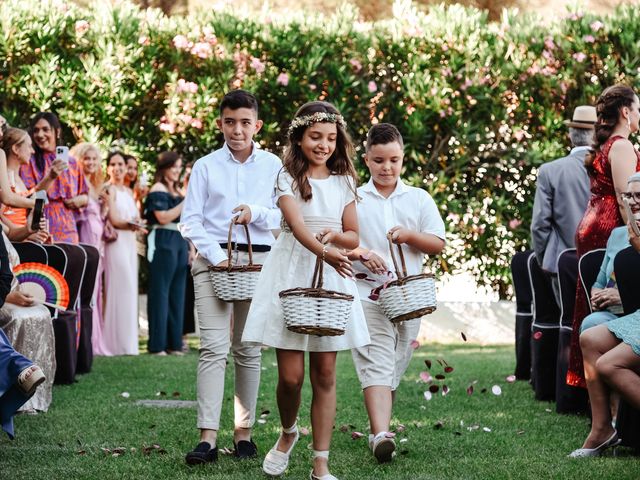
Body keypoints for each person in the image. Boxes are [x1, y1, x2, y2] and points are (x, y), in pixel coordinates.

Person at [242, 101, 370, 480]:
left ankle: (320, 463)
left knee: (326, 373)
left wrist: (336, 240)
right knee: (291, 377)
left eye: (331, 138)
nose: (324, 145)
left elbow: (353, 234)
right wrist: (326, 252)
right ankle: (287, 432)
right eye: (315, 137)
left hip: (332, 275)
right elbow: (297, 227)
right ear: (298, 138)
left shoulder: (346, 179)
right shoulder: (286, 177)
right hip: (293, 271)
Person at [179, 90, 282, 464]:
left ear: (256, 125)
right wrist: (218, 256)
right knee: (212, 348)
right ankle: (207, 437)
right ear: (220, 123)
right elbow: (190, 220)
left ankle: (244, 434)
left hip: (256, 266)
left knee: (248, 348)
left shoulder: (273, 165)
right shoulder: (206, 166)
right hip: (211, 264)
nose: (236, 130)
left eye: (244, 123)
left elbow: (283, 216)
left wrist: (255, 212)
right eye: (229, 122)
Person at [346, 123, 445, 463]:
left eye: (393, 160)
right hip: (366, 296)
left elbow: (437, 242)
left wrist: (408, 236)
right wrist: (361, 252)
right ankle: (379, 436)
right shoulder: (354, 199)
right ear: (367, 160)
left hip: (408, 301)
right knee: (376, 362)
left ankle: (382, 427)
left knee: (395, 365)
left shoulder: (417, 198)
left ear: (403, 159)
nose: (386, 168)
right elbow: (340, 241)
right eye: (378, 160)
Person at [567, 85, 640, 388]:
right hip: (610, 226)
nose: (639, 115)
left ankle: (597, 386)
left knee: (597, 302)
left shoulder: (608, 144)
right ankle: (606, 383)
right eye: (637, 108)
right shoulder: (622, 145)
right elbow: (629, 204)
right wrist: (634, 238)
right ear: (626, 111)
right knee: (608, 298)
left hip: (592, 223)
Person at [569, 173, 640, 457]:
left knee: (610, 364)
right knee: (590, 338)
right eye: (629, 196)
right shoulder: (625, 232)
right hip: (634, 315)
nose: (633, 201)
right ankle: (602, 430)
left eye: (639, 196)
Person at [531, 105, 595, 304]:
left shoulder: (551, 171)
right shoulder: (610, 168)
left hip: (562, 260)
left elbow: (540, 224)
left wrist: (545, 260)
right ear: (596, 135)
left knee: (567, 324)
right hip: (602, 262)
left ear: (570, 135)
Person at [0, 230, 55, 414]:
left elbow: (5, 274)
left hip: (6, 290)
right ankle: (18, 371)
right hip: (5, 295)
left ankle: (33, 391)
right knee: (18, 318)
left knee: (41, 312)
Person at [144, 151, 188, 355]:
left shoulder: (177, 190)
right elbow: (161, 217)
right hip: (163, 241)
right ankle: (157, 345)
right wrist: (185, 203)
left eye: (179, 167)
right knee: (160, 293)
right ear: (164, 168)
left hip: (180, 242)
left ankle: (174, 343)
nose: (177, 171)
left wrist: (191, 248)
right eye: (174, 167)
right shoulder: (158, 188)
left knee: (177, 294)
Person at [101, 151, 145, 356]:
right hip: (116, 241)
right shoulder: (108, 190)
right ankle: (113, 343)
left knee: (129, 290)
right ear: (108, 168)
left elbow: (136, 216)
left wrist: (138, 223)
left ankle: (128, 344)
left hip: (129, 243)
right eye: (113, 164)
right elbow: (115, 219)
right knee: (119, 287)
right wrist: (132, 225)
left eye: (121, 164)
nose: (118, 168)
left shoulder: (128, 191)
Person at [20, 112, 88, 243]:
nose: (40, 135)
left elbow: (86, 194)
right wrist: (50, 177)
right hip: (41, 223)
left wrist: (81, 199)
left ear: (57, 132)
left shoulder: (72, 163)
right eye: (36, 130)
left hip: (68, 225)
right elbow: (29, 197)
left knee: (70, 261)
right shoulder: (28, 161)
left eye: (45, 129)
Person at [71, 142, 108, 355]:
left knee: (97, 289)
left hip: (98, 240)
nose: (91, 162)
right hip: (85, 236)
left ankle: (94, 341)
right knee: (88, 288)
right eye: (88, 158)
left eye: (95, 159)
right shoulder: (78, 182)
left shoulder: (95, 185)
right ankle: (87, 341)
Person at [0, 127, 55, 243]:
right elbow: (4, 215)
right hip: (15, 242)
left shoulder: (18, 179)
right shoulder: (6, 180)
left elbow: (34, 194)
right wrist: (27, 234)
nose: (33, 151)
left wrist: (35, 230)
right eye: (29, 146)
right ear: (16, 148)